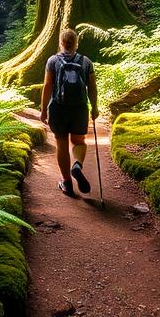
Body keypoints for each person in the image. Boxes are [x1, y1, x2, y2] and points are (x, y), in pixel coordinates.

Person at [40, 27, 99, 196]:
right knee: (79, 141)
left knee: (62, 144)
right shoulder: (86, 62)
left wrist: (43, 109)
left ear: (61, 43)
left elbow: (47, 86)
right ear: (76, 43)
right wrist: (94, 107)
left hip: (58, 108)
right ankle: (77, 165)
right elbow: (92, 87)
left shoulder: (53, 61)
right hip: (79, 108)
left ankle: (66, 182)